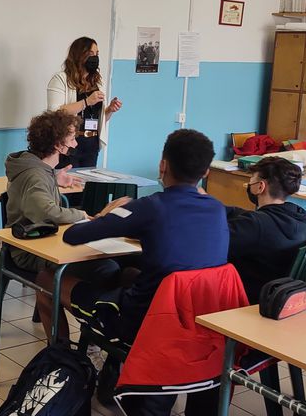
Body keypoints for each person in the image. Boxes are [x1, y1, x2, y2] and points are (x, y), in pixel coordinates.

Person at [62, 128, 229, 344]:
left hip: (141, 321)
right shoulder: (218, 209)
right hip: (195, 320)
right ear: (206, 172)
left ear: (163, 165)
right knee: (128, 273)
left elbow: (74, 235)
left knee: (48, 279)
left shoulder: (149, 207)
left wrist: (106, 215)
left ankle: (60, 363)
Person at [6, 109, 124, 342]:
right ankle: (91, 326)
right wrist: (83, 216)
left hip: (45, 240)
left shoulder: (38, 169)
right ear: (59, 145)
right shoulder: (35, 175)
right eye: (71, 137)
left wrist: (54, 178)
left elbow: (39, 193)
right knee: (103, 268)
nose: (75, 141)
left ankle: (91, 326)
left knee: (104, 266)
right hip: (30, 249)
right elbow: (44, 210)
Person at [226, 156, 306, 303]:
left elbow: (215, 242)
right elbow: (252, 218)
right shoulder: (299, 218)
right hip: (277, 294)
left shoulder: (256, 225)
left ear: (260, 186)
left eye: (252, 179)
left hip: (247, 294)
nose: (249, 183)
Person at [47, 36, 123, 168]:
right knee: (70, 185)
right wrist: (86, 102)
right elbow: (55, 113)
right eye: (91, 54)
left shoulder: (98, 82)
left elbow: (100, 119)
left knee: (88, 185)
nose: (95, 58)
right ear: (79, 56)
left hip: (92, 143)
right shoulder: (61, 79)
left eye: (97, 54)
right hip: (69, 143)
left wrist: (109, 110)